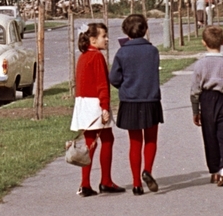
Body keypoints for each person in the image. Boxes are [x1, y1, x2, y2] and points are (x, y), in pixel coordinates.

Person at [109, 13, 163, 195]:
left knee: (135, 142)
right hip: (150, 99)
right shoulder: (153, 51)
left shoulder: (122, 52)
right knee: (151, 138)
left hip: (130, 100)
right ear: (145, 30)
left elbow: (114, 78)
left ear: (126, 31)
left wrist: (124, 85)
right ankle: (147, 169)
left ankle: (136, 183)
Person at [70, 23, 122, 196]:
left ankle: (85, 183)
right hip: (96, 104)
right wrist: (105, 107)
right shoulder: (97, 57)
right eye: (104, 36)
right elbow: (102, 85)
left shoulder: (83, 56)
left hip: (83, 103)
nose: (107, 39)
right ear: (93, 39)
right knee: (107, 140)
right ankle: (105, 180)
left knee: (89, 143)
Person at [189, 24, 223, 186]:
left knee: (209, 136)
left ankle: (214, 171)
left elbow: (194, 90)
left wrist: (195, 110)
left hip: (207, 101)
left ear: (203, 42)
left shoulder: (200, 65)